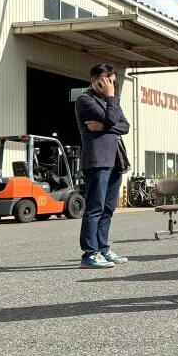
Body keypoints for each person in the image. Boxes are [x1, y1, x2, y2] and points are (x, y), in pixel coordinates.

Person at [74, 63, 130, 268]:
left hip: (115, 161)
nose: (109, 86)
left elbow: (125, 126)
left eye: (112, 82)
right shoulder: (85, 100)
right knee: (95, 208)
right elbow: (115, 118)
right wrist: (111, 97)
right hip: (97, 161)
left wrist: (104, 125)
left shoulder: (108, 101)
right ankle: (89, 253)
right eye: (105, 82)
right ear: (93, 80)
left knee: (108, 208)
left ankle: (103, 249)